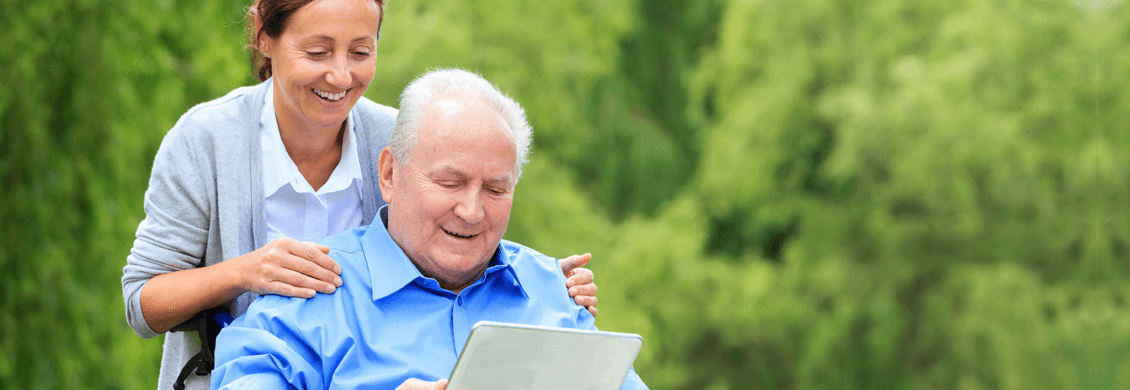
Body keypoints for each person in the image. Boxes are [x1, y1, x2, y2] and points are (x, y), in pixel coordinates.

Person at [121, 1, 599, 389]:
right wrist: (246, 272)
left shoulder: (396, 135)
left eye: (360, 52)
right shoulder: (206, 140)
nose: (340, 76)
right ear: (266, 38)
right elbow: (141, 302)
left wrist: (529, 283)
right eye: (317, 52)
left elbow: (454, 234)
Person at [210, 69, 647, 390]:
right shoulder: (310, 291)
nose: (472, 210)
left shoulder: (554, 294)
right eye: (450, 183)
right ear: (389, 175)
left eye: (496, 189)